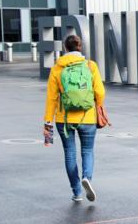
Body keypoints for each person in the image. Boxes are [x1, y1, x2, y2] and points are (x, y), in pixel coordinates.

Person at [43, 35, 105, 202]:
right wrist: (97, 105)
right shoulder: (91, 66)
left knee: (69, 154)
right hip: (88, 117)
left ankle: (77, 192)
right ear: (80, 47)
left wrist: (47, 124)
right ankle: (87, 178)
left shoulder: (57, 68)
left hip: (64, 120)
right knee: (87, 151)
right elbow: (100, 93)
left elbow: (51, 99)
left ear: (65, 48)